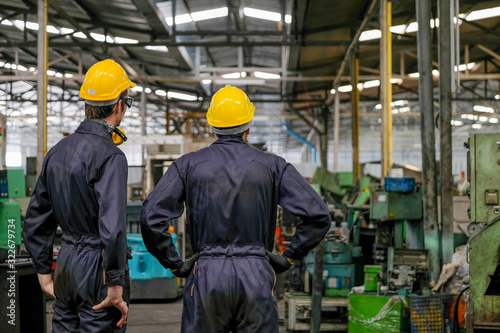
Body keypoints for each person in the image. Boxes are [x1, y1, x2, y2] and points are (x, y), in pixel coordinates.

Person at [140, 85, 331, 333]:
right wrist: (289, 257)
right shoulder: (273, 166)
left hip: (206, 273)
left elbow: (150, 217)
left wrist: (174, 263)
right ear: (248, 126)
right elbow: (318, 214)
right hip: (256, 274)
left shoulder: (187, 165)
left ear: (212, 126)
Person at [24, 59, 135, 332]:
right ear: (119, 105)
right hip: (97, 268)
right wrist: (116, 283)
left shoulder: (58, 150)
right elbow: (113, 229)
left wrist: (43, 272)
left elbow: (36, 218)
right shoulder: (111, 156)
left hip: (66, 263)